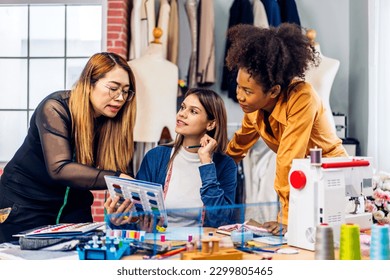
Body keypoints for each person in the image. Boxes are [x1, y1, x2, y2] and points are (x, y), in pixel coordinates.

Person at [224, 23, 348, 235]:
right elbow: (238, 145)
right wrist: (216, 168)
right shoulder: (254, 109)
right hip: (306, 181)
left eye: (247, 90)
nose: (240, 96)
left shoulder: (302, 97)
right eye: (238, 86)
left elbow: (288, 158)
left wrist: (287, 218)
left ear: (273, 91)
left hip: (333, 177)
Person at [0, 52, 136, 243]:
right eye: (113, 88)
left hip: (72, 204)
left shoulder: (110, 122)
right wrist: (117, 178)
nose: (120, 98)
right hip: (25, 203)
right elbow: (59, 168)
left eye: (125, 91)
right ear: (89, 83)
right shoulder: (54, 108)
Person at [105, 88, 238, 230]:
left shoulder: (225, 165)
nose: (182, 114)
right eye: (182, 107)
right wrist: (119, 219)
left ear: (211, 124)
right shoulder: (156, 157)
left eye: (193, 111)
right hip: (160, 246)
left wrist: (206, 163)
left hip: (200, 249)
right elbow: (138, 216)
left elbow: (220, 220)